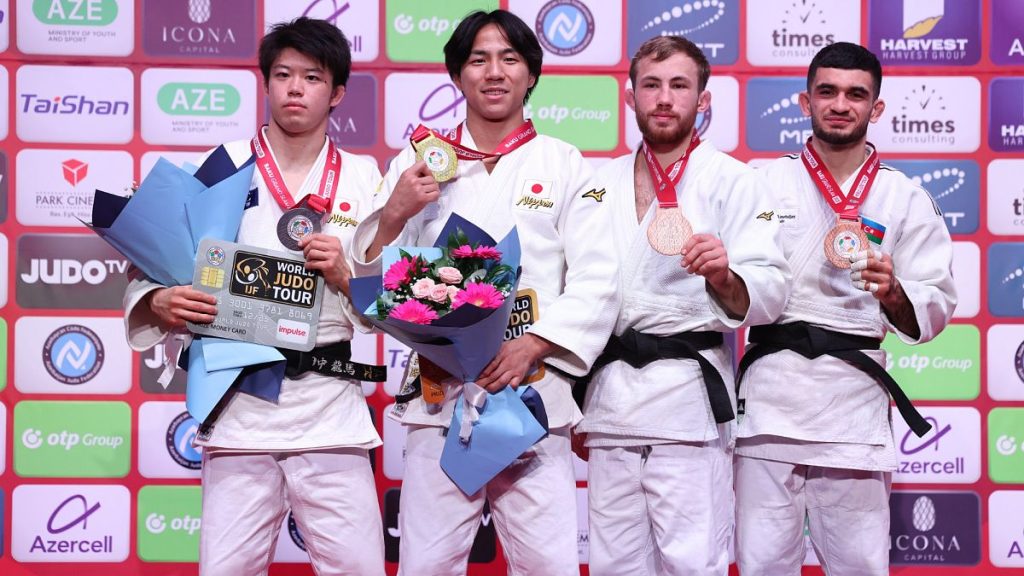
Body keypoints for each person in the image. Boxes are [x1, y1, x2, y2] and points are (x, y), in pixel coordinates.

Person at [350, 9, 618, 576]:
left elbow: (598, 278)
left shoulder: (563, 162)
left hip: (531, 393)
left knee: (548, 566)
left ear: (531, 74)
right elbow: (370, 278)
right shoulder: (420, 163)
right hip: (439, 393)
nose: (494, 72)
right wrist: (395, 212)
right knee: (426, 565)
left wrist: (533, 345)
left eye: (509, 59)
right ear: (457, 75)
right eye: (478, 60)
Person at [122, 18, 386, 575]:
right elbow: (155, 259)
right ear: (265, 83)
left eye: (312, 77)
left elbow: (386, 302)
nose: (295, 89)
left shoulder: (365, 177)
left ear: (337, 93)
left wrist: (346, 274)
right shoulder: (222, 162)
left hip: (330, 406)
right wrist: (159, 302)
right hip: (239, 399)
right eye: (283, 75)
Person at [734, 41, 957, 575]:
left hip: (852, 405)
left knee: (861, 564)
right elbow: (735, 285)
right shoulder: (761, 183)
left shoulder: (905, 197)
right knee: (761, 563)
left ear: (876, 109)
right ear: (805, 101)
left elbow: (936, 301)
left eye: (856, 94)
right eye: (827, 91)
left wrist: (894, 291)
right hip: (770, 401)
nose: (840, 104)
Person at [575, 36, 789, 575]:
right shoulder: (597, 184)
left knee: (694, 562)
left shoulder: (736, 181)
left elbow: (770, 289)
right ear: (631, 97)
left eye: (679, 85)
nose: (665, 98)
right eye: (651, 85)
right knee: (613, 565)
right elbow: (574, 290)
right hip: (611, 403)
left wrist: (724, 275)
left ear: (703, 99)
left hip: (688, 404)